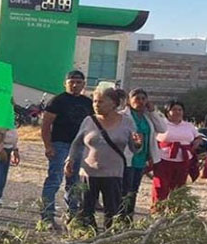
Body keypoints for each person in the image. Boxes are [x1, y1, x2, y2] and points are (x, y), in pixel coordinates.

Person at [64, 86, 140, 230]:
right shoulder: (88, 120)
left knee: (112, 212)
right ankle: (88, 240)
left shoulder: (127, 122)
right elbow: (76, 142)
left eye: (100, 102)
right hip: (88, 173)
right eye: (94, 102)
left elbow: (134, 148)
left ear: (113, 103)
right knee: (86, 211)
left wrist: (138, 144)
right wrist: (70, 159)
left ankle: (109, 239)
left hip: (113, 174)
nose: (96, 105)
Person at [41, 70, 92, 226]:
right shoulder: (57, 101)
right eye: (72, 82)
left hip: (80, 146)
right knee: (54, 180)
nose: (75, 85)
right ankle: (47, 216)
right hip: (60, 145)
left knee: (75, 182)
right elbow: (46, 125)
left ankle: (72, 215)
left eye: (78, 82)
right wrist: (48, 146)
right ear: (66, 83)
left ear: (84, 84)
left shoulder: (87, 102)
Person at [121, 89, 168, 217]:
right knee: (125, 190)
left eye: (143, 99)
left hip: (141, 159)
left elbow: (163, 129)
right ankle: (121, 216)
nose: (140, 102)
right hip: (127, 157)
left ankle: (129, 217)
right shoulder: (123, 115)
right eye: (137, 98)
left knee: (134, 190)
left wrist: (152, 111)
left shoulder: (148, 116)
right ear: (129, 101)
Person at [153, 100, 203, 206]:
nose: (177, 112)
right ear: (167, 112)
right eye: (174, 109)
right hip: (163, 160)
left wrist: (197, 142)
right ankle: (157, 212)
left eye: (180, 110)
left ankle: (174, 213)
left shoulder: (189, 125)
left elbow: (198, 136)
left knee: (178, 189)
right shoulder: (161, 124)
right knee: (161, 187)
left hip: (183, 161)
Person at [0, 126, 20, 205]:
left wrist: (15, 149)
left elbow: (13, 132)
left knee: (2, 175)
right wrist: (0, 148)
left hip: (8, 147)